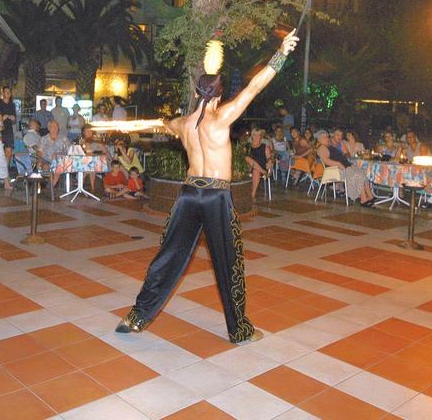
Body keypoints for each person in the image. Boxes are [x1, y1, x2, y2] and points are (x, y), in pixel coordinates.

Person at [116, 29, 299, 344]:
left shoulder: (183, 123)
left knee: (167, 256)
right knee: (229, 262)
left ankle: (136, 317)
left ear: (197, 92)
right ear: (217, 94)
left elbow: (160, 124)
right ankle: (239, 330)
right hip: (215, 196)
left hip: (188, 194)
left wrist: (130, 124)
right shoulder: (222, 117)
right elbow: (255, 86)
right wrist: (281, 52)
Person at [316, 130, 375, 206]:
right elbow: (326, 161)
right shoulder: (322, 148)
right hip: (335, 170)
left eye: (327, 136)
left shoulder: (329, 146)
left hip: (344, 167)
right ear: (319, 140)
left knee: (362, 172)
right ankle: (363, 199)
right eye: (324, 137)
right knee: (358, 174)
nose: (327, 138)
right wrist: (339, 164)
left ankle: (370, 196)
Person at [39, 120, 70, 188]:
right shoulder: (43, 139)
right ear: (49, 128)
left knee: (58, 167)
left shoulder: (64, 138)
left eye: (56, 126)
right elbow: (40, 152)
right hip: (46, 160)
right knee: (46, 168)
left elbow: (69, 151)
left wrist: (60, 154)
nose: (55, 128)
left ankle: (50, 188)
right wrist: (39, 161)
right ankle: (49, 186)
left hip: (61, 161)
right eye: (52, 127)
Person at [246, 129, 272, 199]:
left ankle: (253, 194)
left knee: (256, 171)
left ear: (261, 137)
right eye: (255, 135)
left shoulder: (264, 146)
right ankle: (263, 172)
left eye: (259, 135)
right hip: (249, 167)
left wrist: (269, 161)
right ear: (252, 136)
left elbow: (269, 157)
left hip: (261, 166)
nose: (257, 137)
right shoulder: (248, 146)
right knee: (247, 158)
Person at [0, 86, 18, 164]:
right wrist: (1, 118)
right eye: (6, 91)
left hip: (9, 130)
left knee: (9, 150)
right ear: (3, 93)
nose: (8, 93)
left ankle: (6, 171)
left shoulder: (12, 104)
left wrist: (13, 118)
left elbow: (15, 120)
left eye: (9, 92)